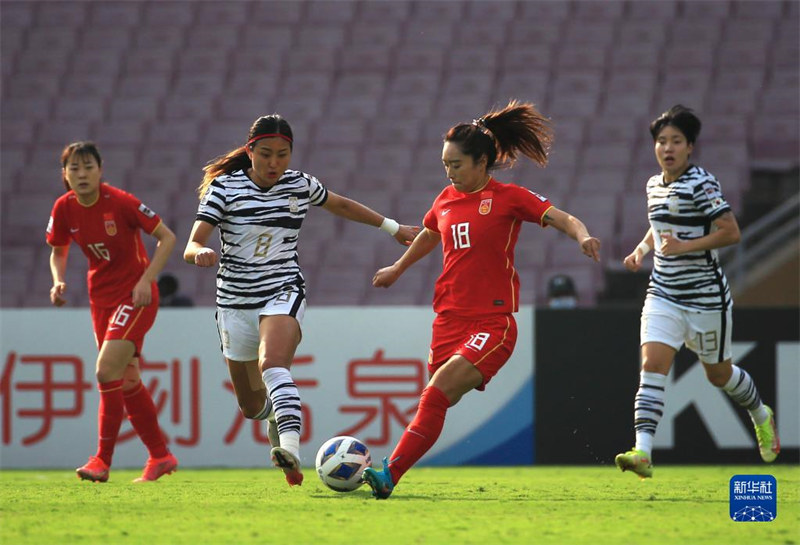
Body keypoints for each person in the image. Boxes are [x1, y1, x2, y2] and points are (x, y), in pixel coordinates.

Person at [363, 100, 602, 499]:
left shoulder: (508, 197)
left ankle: (389, 473)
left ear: (481, 162)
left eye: (456, 164)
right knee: (434, 400)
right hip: (448, 319)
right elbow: (429, 233)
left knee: (436, 392)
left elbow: (560, 217)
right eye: (445, 164)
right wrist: (397, 268)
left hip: (492, 323)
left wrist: (582, 235)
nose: (449, 171)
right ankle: (391, 472)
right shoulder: (444, 199)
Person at [183, 114, 419, 487]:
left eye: (282, 154)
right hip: (233, 302)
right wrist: (198, 251)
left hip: (282, 290)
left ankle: (290, 446)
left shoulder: (300, 184)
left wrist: (392, 228)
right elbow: (193, 241)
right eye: (265, 155)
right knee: (250, 406)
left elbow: (340, 205)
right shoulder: (224, 189)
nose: (274, 163)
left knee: (273, 364)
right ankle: (275, 416)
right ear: (250, 152)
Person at [614, 105, 780, 479]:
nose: (667, 148)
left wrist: (684, 247)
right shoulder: (653, 184)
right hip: (663, 293)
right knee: (652, 366)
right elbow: (659, 225)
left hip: (705, 299)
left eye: (676, 141)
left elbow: (731, 232)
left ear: (690, 147)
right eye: (661, 141)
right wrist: (643, 249)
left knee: (718, 376)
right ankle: (642, 452)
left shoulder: (702, 184)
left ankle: (759, 413)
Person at [46, 141, 179, 482]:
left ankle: (101, 461)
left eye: (88, 166)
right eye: (74, 168)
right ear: (65, 175)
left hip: (136, 296)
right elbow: (58, 251)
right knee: (127, 379)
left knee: (106, 372)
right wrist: (58, 281)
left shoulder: (120, 202)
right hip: (100, 298)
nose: (81, 174)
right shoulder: (64, 208)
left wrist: (147, 281)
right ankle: (161, 456)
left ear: (100, 170)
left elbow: (167, 237)